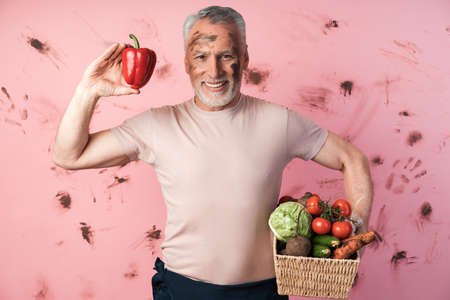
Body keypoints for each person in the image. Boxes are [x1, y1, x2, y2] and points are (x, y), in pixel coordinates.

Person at [52, 6, 373, 300]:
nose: (214, 70)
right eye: (201, 56)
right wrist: (88, 92)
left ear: (245, 58)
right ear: (187, 63)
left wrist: (355, 227)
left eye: (226, 56)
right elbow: (69, 156)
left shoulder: (280, 122)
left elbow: (352, 159)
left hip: (261, 292)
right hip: (183, 290)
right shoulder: (156, 125)